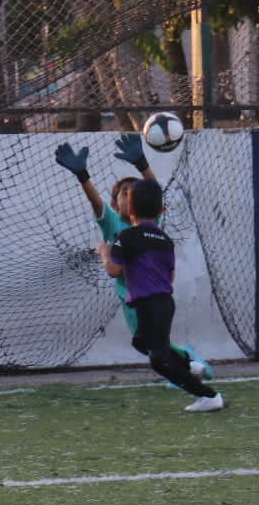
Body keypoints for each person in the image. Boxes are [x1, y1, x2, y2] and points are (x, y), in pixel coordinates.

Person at [54, 134, 214, 385]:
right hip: (127, 295)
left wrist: (142, 163)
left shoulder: (148, 221)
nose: (130, 195)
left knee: (154, 343)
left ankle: (185, 369)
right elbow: (95, 202)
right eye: (124, 193)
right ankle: (187, 360)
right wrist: (82, 175)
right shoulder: (112, 223)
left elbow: (155, 192)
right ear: (115, 203)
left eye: (134, 192)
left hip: (152, 292)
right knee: (146, 344)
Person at [99, 178, 224, 413]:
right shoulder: (165, 239)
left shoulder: (125, 237)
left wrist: (105, 253)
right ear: (161, 210)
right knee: (142, 342)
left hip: (148, 305)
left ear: (131, 209)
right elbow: (171, 275)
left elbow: (113, 270)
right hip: (164, 302)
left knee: (158, 358)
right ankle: (191, 364)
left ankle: (209, 396)